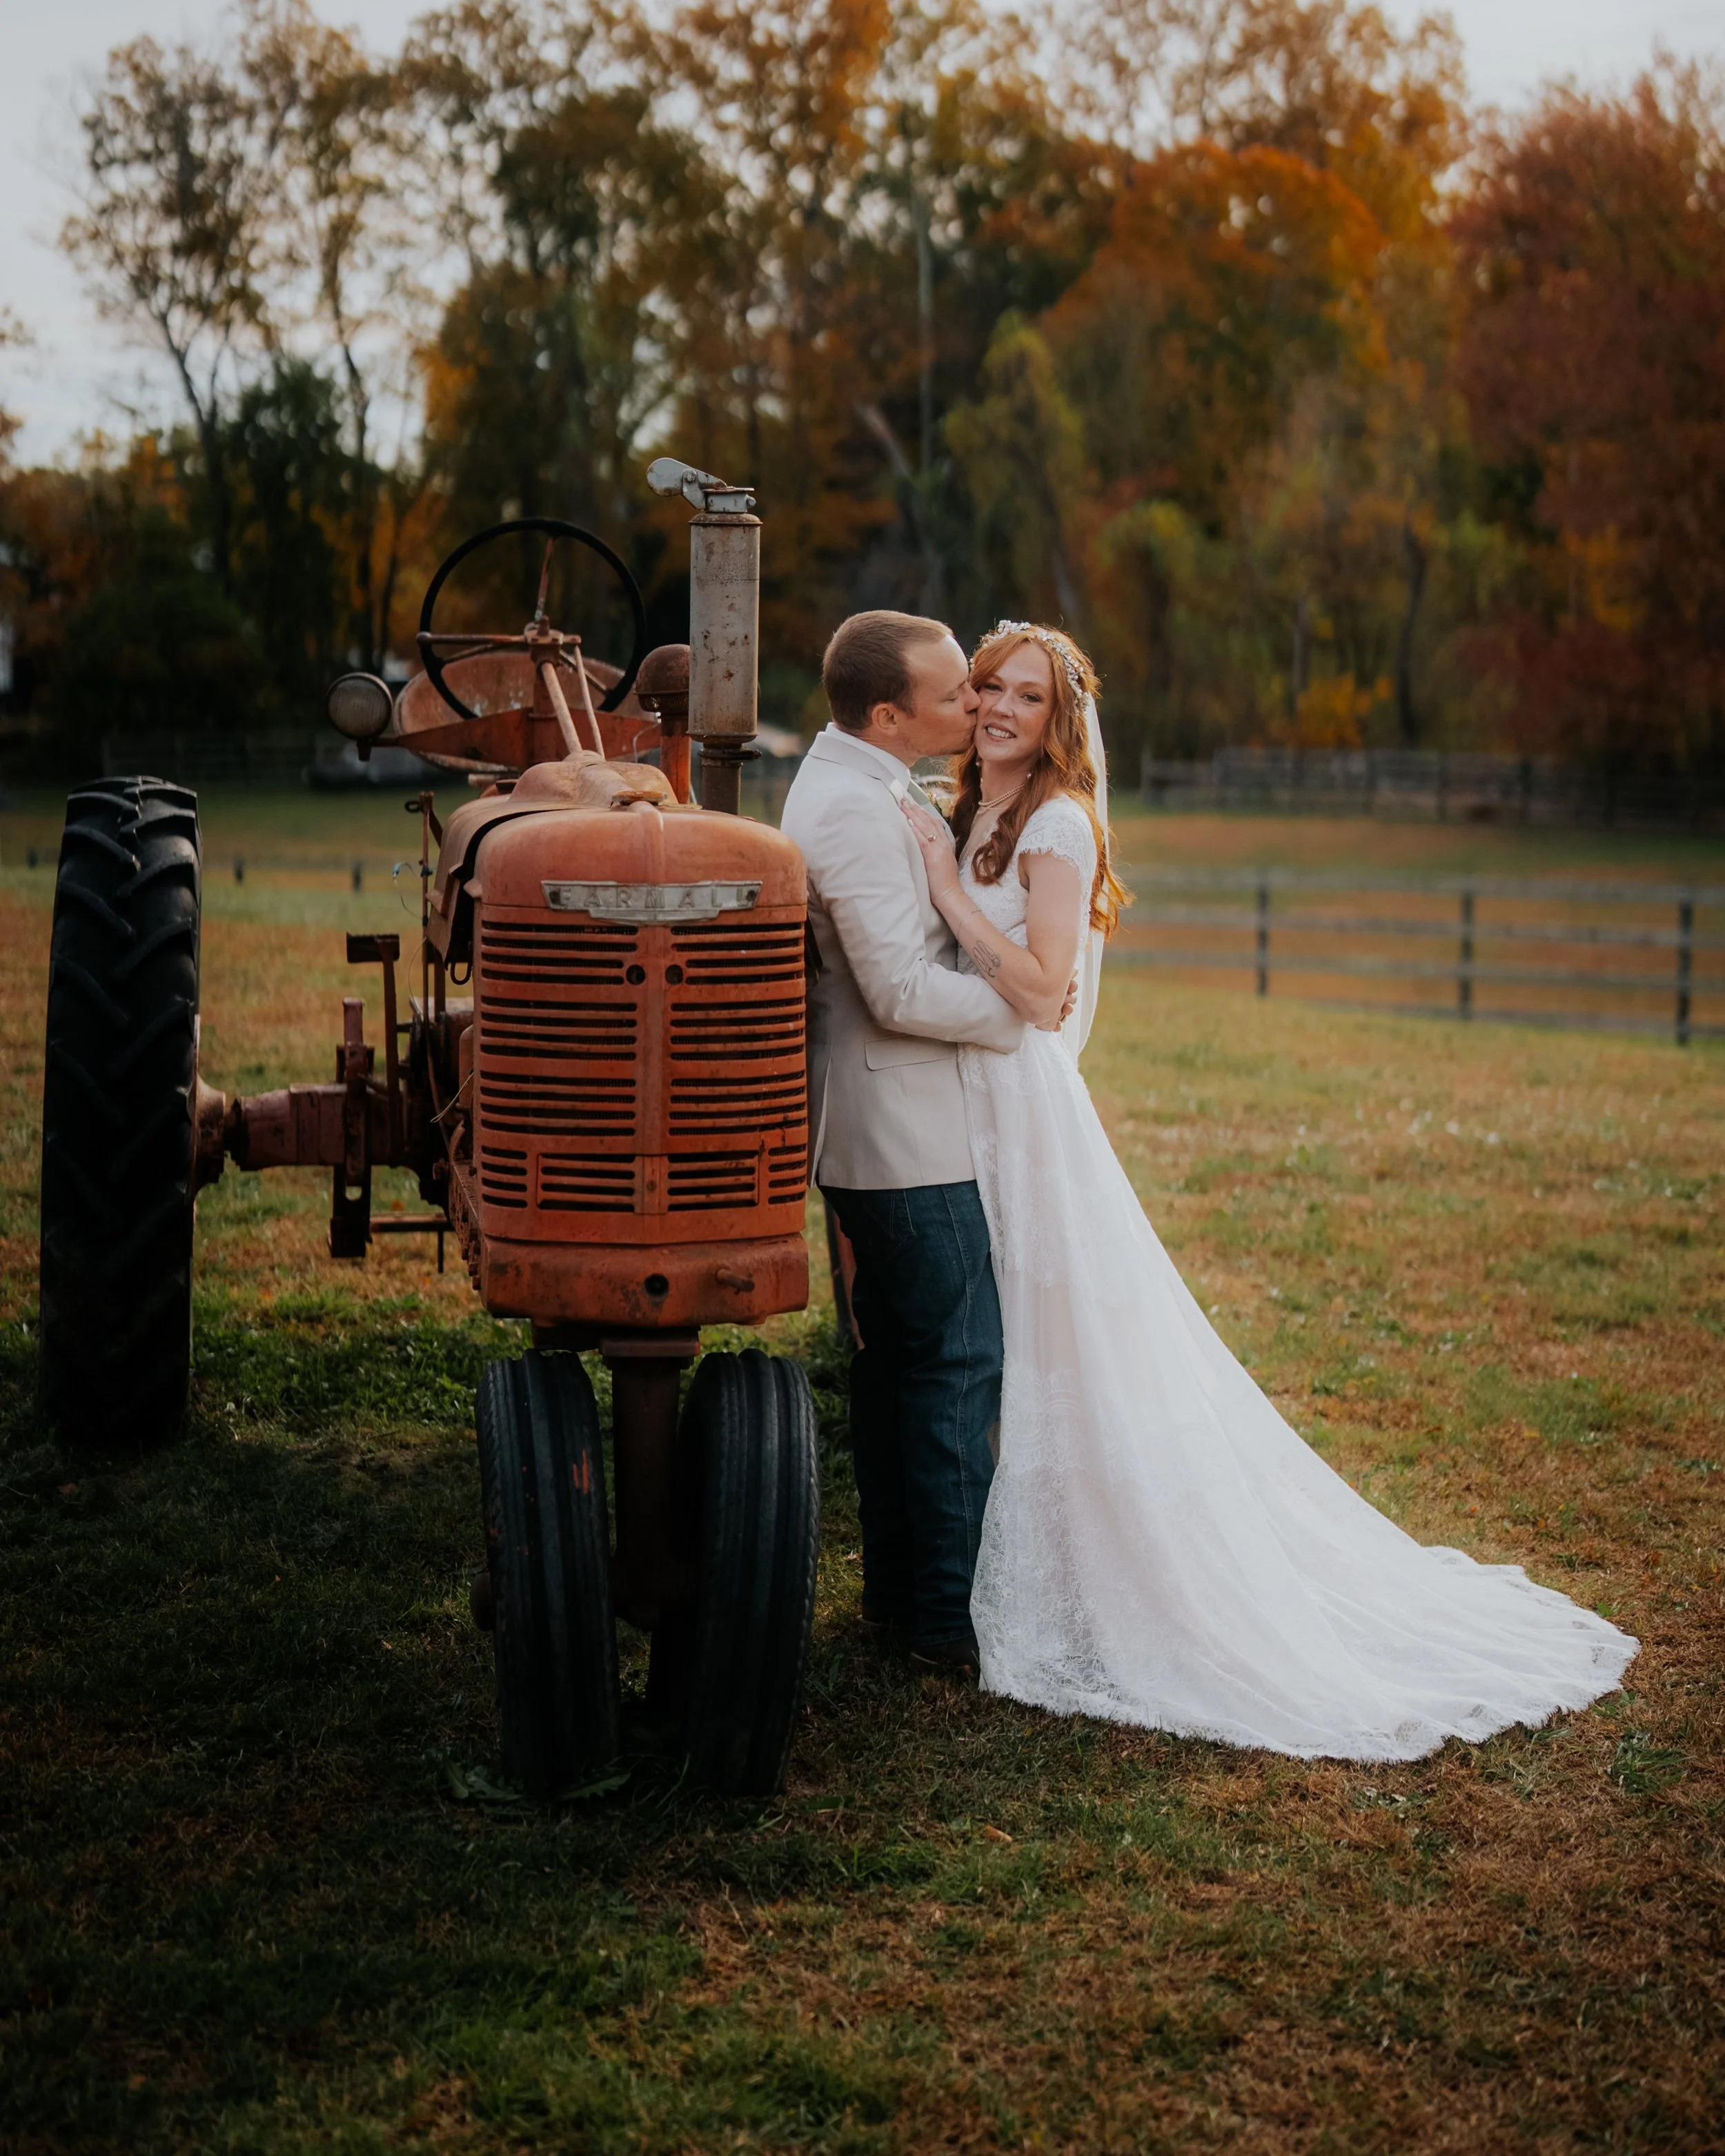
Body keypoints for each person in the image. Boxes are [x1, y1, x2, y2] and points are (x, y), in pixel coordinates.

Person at [896, 620, 1637, 1760]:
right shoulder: (970, 807)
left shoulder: (1052, 823)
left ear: (1059, 724)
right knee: (991, 1339)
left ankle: (1097, 1578)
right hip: (964, 1107)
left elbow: (1046, 996)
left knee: (1058, 1348)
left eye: (1027, 698)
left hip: (1025, 1116)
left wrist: (947, 896)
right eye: (990, 686)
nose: (998, 708)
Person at [781, 611, 1028, 1672]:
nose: (973, 705)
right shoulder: (847, 807)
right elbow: (889, 988)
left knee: (897, 1369)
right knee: (955, 1364)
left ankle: (899, 1599)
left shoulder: (870, 778)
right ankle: (945, 1624)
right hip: (900, 1137)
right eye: (951, 696)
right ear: (888, 716)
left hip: (887, 1130)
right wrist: (1022, 1011)